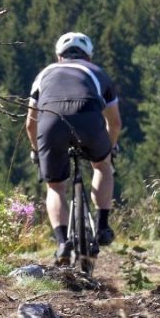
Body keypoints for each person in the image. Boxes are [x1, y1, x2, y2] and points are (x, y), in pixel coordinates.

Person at [26, 32, 122, 265]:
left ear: (59, 57)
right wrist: (109, 148)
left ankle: (62, 243)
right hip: (88, 118)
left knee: (56, 186)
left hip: (51, 122)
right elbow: (115, 123)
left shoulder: (44, 74)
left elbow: (30, 123)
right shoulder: (97, 73)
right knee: (102, 166)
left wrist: (37, 151)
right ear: (88, 57)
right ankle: (102, 227)